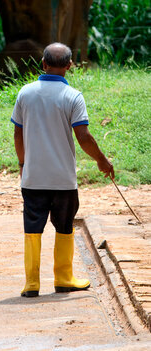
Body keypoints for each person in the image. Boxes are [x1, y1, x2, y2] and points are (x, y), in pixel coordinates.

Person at [11, 42, 115, 298]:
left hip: (33, 178)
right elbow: (83, 136)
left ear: (43, 64)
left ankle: (32, 283)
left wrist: (23, 164)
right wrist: (102, 160)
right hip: (63, 180)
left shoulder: (25, 93)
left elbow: (18, 132)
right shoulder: (73, 96)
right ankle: (64, 278)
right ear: (70, 66)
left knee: (32, 229)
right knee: (64, 227)